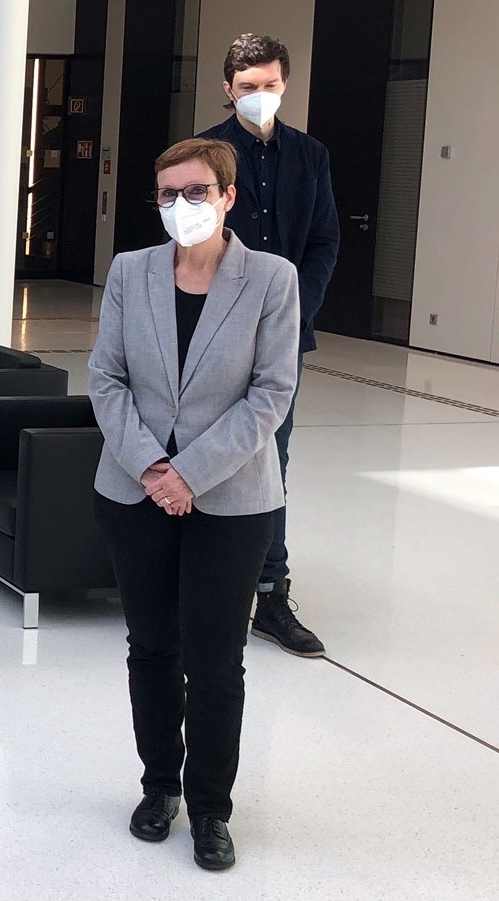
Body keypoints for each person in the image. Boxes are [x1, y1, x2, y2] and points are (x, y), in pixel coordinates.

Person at [88, 138, 300, 872]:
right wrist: (153, 466)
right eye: (169, 193)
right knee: (151, 647)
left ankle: (211, 807)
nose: (183, 205)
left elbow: (271, 393)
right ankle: (159, 786)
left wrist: (190, 474)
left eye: (198, 191)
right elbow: (106, 379)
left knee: (215, 660)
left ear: (229, 196)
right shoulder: (131, 271)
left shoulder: (271, 279)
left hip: (232, 498)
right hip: (135, 488)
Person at [198, 33, 339, 658]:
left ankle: (269, 593)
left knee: (269, 457)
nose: (261, 95)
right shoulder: (204, 154)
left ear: (285, 85)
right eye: (249, 86)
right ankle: (201, 581)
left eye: (271, 85)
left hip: (283, 333)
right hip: (213, 326)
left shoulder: (309, 156)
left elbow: (324, 240)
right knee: (201, 445)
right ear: (228, 89)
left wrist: (293, 309)